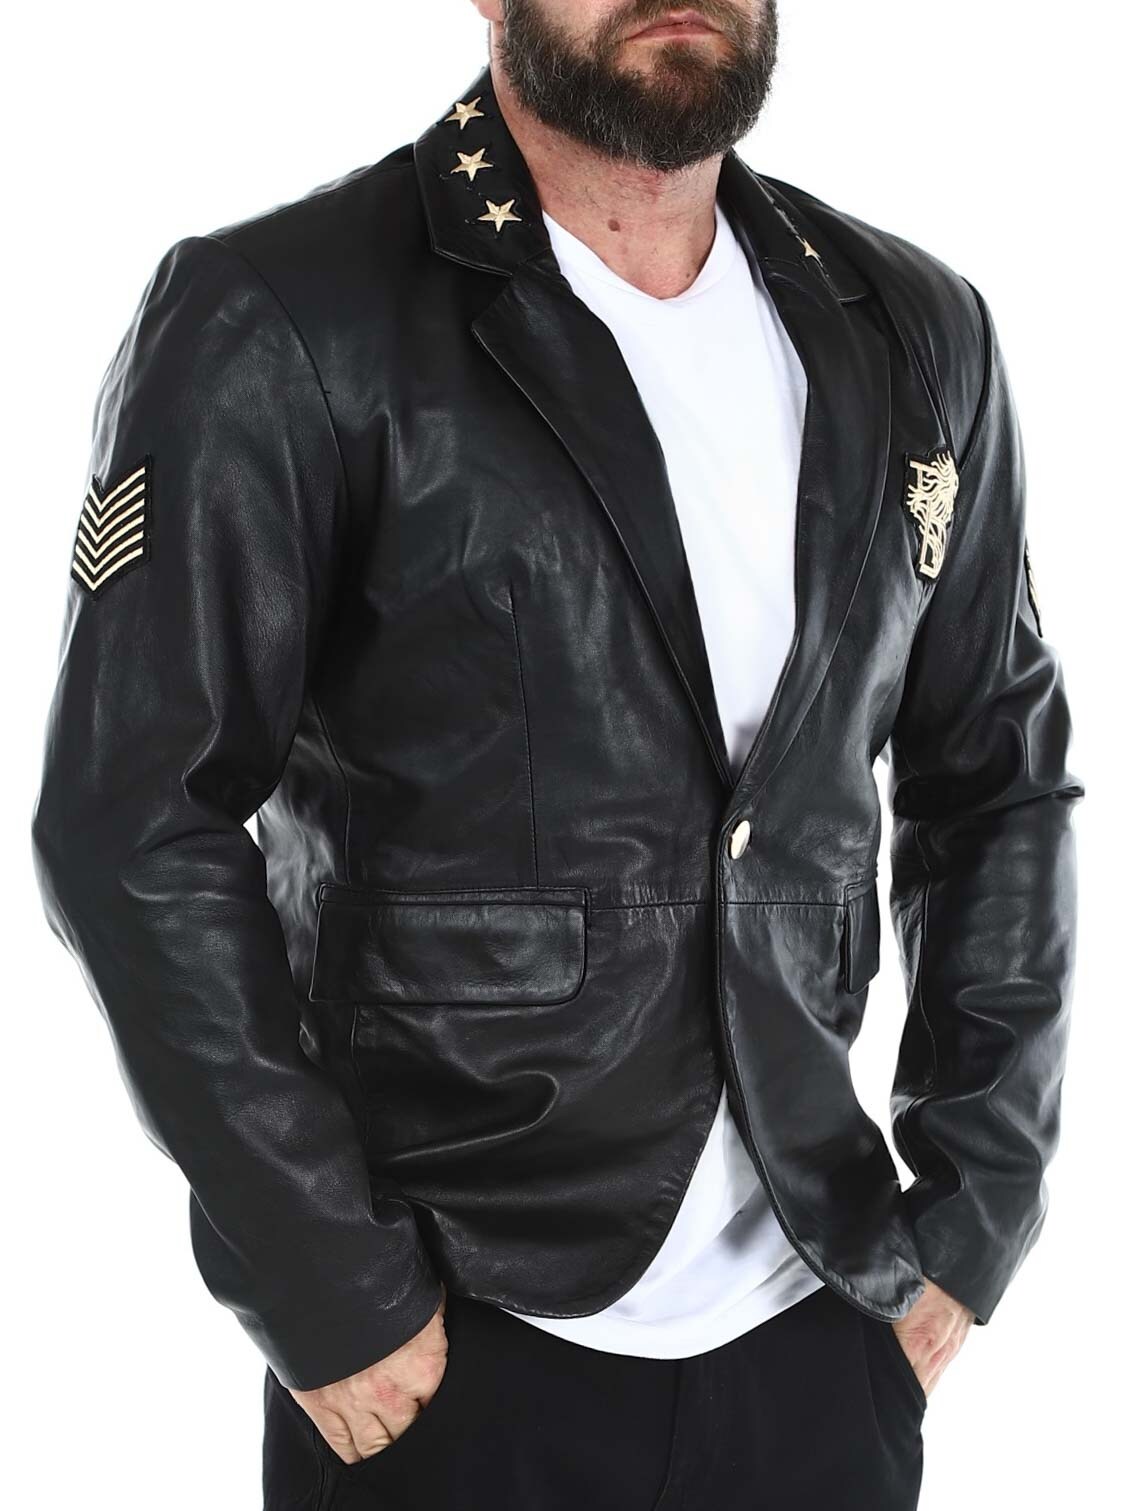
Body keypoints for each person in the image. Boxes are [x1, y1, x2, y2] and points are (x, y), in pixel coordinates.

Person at [31, 3, 1083, 1508]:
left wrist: (977, 1213)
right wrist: (325, 1282)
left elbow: (996, 781)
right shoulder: (284, 312)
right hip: (451, 1329)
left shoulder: (915, 328)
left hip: (821, 1323)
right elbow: (132, 819)